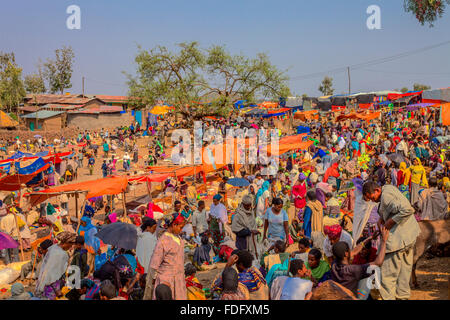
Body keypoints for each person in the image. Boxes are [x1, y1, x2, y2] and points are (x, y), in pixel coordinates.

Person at [362, 181, 420, 300]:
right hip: (408, 238)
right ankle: (402, 297)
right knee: (404, 275)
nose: (372, 201)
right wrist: (382, 218)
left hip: (397, 242)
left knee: (387, 278)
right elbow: (393, 208)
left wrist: (389, 222)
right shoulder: (387, 188)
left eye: (371, 197)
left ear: (377, 190)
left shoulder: (386, 196)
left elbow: (407, 210)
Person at [330, 226, 389, 296]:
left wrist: (370, 238)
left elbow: (354, 251)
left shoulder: (334, 264)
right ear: (346, 254)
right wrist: (384, 241)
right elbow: (378, 263)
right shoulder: (352, 270)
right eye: (349, 250)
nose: (351, 251)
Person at [143, 213, 187, 300]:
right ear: (174, 225)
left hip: (178, 279)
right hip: (166, 281)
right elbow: (154, 264)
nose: (181, 230)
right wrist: (154, 280)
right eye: (180, 227)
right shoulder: (163, 241)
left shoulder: (178, 238)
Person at [35, 232, 77, 299]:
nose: (71, 247)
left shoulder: (54, 248)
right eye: (70, 244)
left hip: (42, 283)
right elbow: (53, 276)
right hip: (50, 289)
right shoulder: (60, 254)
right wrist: (58, 291)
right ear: (65, 242)